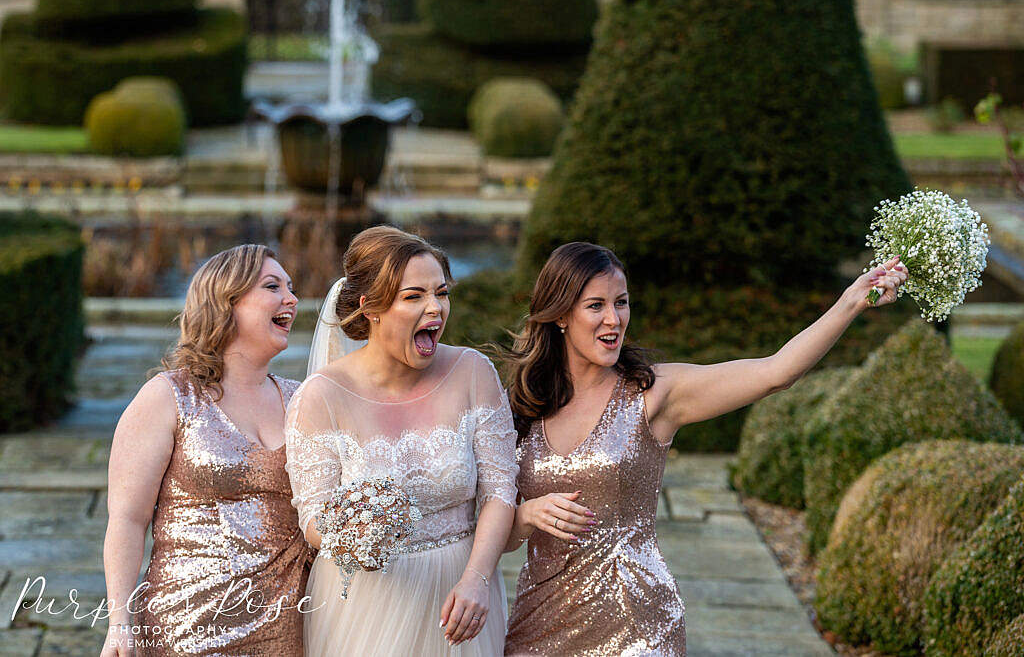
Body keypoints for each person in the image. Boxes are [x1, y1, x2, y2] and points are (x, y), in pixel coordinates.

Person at [501, 242, 907, 655]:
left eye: (621, 302)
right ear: (561, 316)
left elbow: (775, 373)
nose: (614, 319)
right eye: (596, 305)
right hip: (539, 622)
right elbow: (498, 537)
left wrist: (851, 301)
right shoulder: (523, 407)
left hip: (634, 624)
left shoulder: (653, 393)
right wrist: (526, 515)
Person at [285, 226, 518, 656]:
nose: (435, 308)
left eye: (441, 293)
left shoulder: (473, 373)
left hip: (462, 600)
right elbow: (313, 518)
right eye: (414, 297)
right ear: (370, 307)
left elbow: (500, 491)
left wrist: (477, 578)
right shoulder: (320, 396)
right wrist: (355, 532)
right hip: (367, 607)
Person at [101, 245, 311, 656]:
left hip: (288, 629)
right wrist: (119, 624)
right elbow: (127, 518)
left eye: (291, 287)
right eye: (273, 286)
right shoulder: (169, 397)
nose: (292, 299)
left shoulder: (303, 401)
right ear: (225, 302)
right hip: (188, 627)